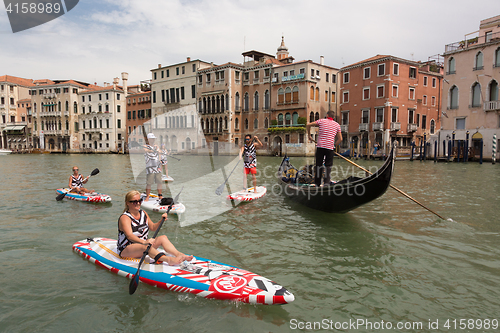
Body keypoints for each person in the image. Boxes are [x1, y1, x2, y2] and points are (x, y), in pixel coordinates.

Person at [117, 190, 192, 265]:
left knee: (163, 238)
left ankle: (179, 255)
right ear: (127, 203)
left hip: (144, 246)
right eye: (135, 202)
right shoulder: (125, 218)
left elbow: (153, 227)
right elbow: (130, 236)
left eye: (140, 200)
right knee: (146, 247)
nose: (138, 203)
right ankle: (169, 260)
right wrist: (144, 242)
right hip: (127, 249)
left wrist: (161, 220)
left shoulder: (143, 213)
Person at [306, 111, 342, 186]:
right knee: (328, 166)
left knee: (319, 165)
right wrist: (334, 146)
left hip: (320, 147)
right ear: (334, 117)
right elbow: (340, 139)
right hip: (330, 148)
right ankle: (326, 184)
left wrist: (309, 135)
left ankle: (317, 184)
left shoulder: (321, 121)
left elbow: (308, 125)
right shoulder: (337, 125)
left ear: (327, 115)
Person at [144, 133, 162, 201]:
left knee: (159, 182)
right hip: (150, 168)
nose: (153, 139)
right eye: (152, 138)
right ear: (148, 139)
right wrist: (153, 150)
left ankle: (160, 195)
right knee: (149, 183)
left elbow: (159, 152)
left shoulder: (156, 146)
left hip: (157, 167)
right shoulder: (145, 146)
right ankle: (147, 196)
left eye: (154, 138)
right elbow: (146, 150)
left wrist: (160, 160)